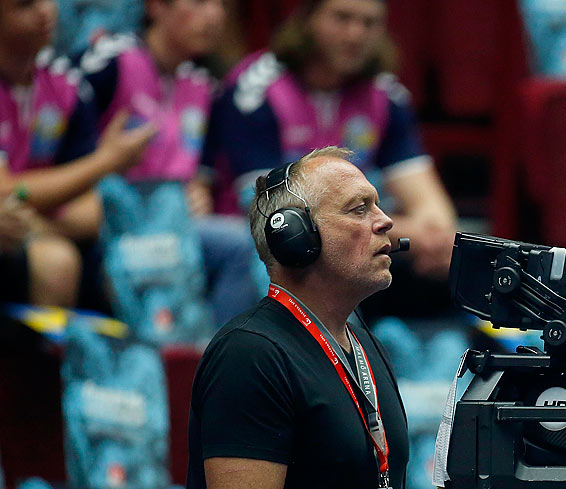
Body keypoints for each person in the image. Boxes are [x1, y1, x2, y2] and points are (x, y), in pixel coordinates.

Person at [170, 147, 496, 489]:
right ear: (295, 237)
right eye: (358, 208)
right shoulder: (251, 353)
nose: (386, 220)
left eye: (379, 205)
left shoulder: (362, 350)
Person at [205, 0, 456, 285]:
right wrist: (407, 231)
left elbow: (429, 202)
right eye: (342, 18)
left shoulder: (386, 95)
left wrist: (435, 236)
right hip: (266, 241)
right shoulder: (256, 90)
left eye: (369, 23)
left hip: (357, 240)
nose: (355, 35)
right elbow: (272, 209)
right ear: (308, 19)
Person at [79, 0, 261, 324]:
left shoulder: (204, 84)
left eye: (220, 5)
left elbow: (201, 173)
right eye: (199, 3)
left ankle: (216, 357)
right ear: (156, 7)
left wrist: (197, 192)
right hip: (109, 218)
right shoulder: (107, 62)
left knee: (243, 245)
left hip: (176, 222)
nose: (214, 15)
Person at [0, 0, 156, 306]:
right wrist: (104, 161)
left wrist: (32, 218)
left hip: (22, 228)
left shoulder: (65, 86)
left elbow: (91, 212)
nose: (45, 11)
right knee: (57, 262)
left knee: (132, 257)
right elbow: (4, 189)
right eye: (25, 5)